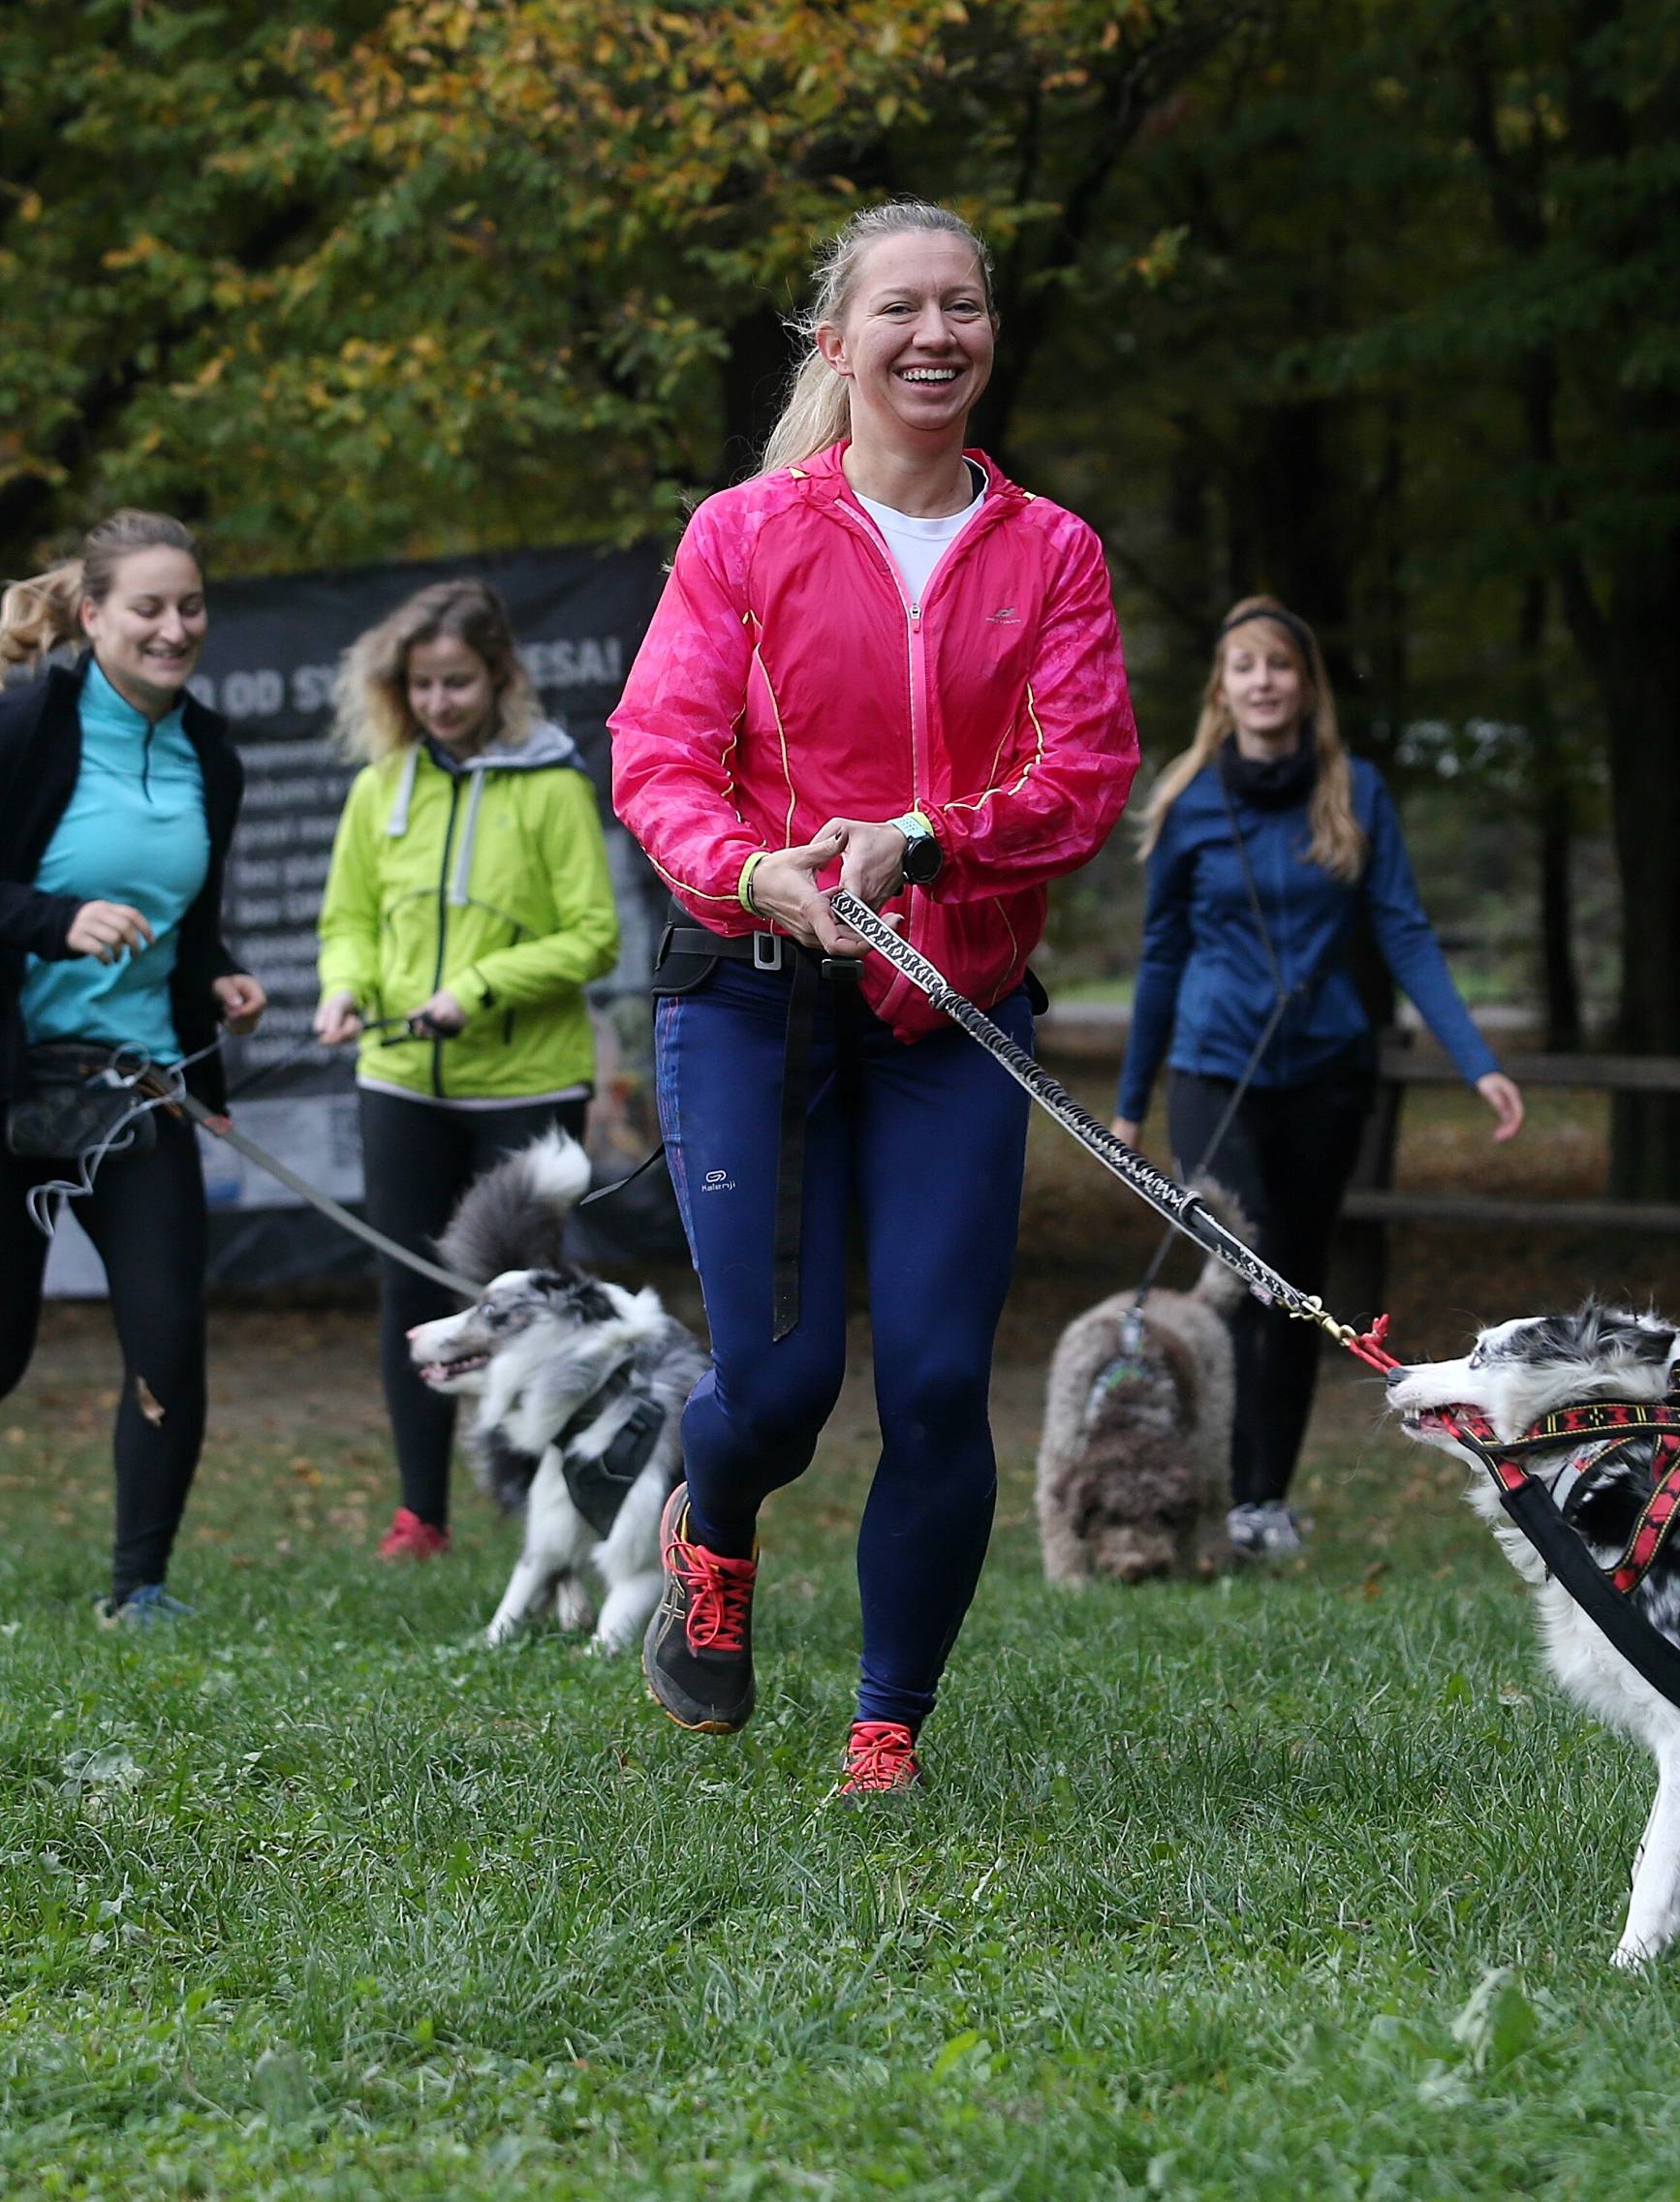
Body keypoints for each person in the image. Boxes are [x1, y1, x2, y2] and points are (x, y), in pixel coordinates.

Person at [610, 198, 1139, 1793]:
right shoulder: (744, 533)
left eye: (964, 307)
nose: (935, 335)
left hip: (950, 1010)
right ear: (836, 345)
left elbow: (1087, 774)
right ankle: (712, 1522)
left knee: (928, 1378)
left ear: (990, 337)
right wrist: (758, 871)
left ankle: (885, 1724)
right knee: (772, 1387)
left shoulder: (1049, 552)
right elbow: (658, 756)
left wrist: (924, 842)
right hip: (752, 993)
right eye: (901, 309)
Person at [1112, 596, 1525, 1558]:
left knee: (1295, 1286)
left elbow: (1405, 930)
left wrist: (1478, 1061)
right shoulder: (1188, 800)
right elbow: (1161, 954)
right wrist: (1131, 1104)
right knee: (1239, 1274)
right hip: (1214, 1066)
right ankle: (1201, 1481)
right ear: (1223, 686)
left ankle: (1262, 1498)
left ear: (1305, 684)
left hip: (1329, 1071)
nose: (1263, 681)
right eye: (1244, 665)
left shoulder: (1355, 790)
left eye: (1280, 665)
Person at [0, 510, 268, 1626]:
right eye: (148, 607)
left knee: (169, 1340)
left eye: (190, 605)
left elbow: (189, 925)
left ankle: (138, 1590)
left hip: (137, 1084)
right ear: (93, 614)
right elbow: (41, 904)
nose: (173, 627)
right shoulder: (24, 726)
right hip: (15, 1088)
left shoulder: (212, 750)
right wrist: (53, 918)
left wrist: (220, 978)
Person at [314, 579, 619, 1559]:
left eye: (458, 681)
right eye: (423, 684)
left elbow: (594, 937)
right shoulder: (381, 785)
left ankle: (551, 1508)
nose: (440, 701)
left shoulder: (552, 785)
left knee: (530, 1306)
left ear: (500, 678)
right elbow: (348, 921)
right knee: (410, 1291)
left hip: (526, 1085)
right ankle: (421, 1514)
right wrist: (345, 986)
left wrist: (479, 987)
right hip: (398, 1078)